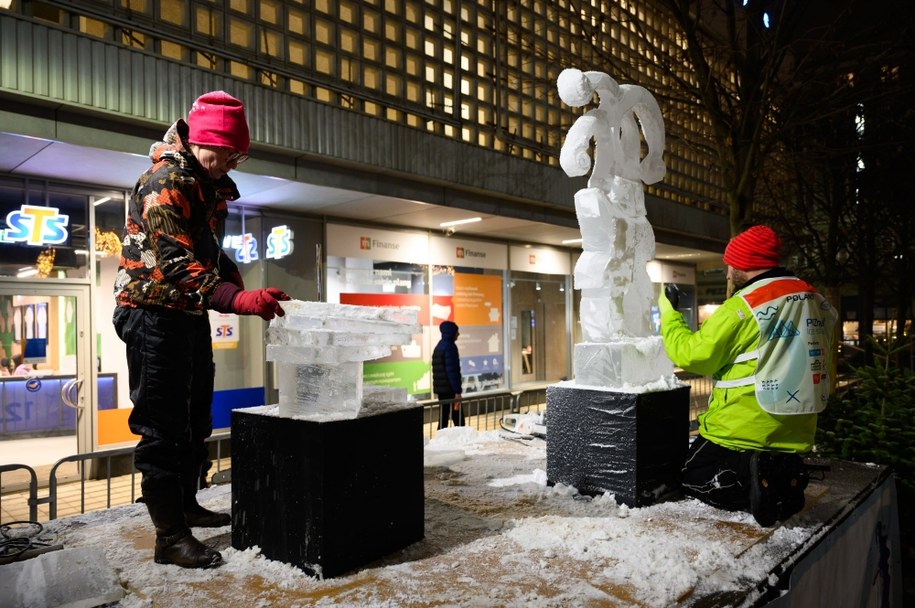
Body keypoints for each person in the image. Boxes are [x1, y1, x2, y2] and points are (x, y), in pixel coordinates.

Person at [113, 91, 290, 569]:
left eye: (237, 155)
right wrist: (236, 299)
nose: (228, 162)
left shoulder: (207, 182)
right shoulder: (165, 181)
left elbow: (205, 248)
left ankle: (187, 505)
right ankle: (169, 537)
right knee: (163, 427)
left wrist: (234, 278)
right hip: (151, 311)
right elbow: (175, 262)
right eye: (224, 152)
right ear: (201, 140)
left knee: (195, 419)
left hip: (186, 312)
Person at [658, 225, 837, 527]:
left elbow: (694, 355)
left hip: (742, 426)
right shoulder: (813, 298)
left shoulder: (745, 305)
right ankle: (784, 477)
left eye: (731, 265)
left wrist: (670, 315)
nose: (728, 274)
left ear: (747, 264)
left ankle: (758, 480)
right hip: (797, 427)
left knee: (691, 476)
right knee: (765, 462)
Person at [432, 321, 464, 429]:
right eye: (456, 332)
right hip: (450, 390)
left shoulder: (439, 346)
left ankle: (440, 440)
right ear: (451, 333)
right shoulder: (450, 347)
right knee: (458, 418)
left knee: (443, 417)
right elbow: (452, 372)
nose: (458, 334)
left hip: (442, 391)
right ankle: (463, 440)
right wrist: (457, 392)